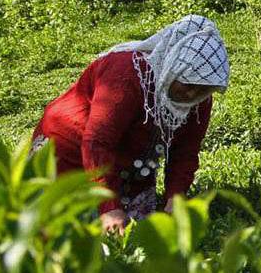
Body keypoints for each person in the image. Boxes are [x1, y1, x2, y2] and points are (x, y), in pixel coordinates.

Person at [31, 15, 230, 233]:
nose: (192, 94)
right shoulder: (126, 75)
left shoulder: (199, 99)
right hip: (70, 149)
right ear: (173, 66)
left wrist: (176, 196)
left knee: (136, 234)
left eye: (202, 88)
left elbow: (185, 151)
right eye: (187, 83)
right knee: (63, 230)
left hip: (129, 162)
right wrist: (109, 208)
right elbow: (98, 142)